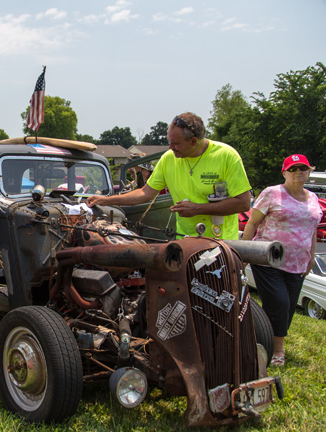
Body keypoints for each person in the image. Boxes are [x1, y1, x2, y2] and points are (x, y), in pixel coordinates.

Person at [87, 112, 251, 239]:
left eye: (176, 144)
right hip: (185, 243)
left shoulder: (226, 156)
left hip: (222, 244)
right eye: (169, 142)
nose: (170, 147)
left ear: (194, 141)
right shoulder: (168, 159)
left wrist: (198, 209)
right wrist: (106, 200)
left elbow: (243, 203)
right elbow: (145, 193)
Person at [242, 154, 322, 367]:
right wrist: (243, 254)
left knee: (285, 310)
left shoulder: (313, 198)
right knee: (280, 303)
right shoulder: (272, 193)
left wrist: (311, 257)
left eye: (303, 169)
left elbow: (312, 230)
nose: (298, 173)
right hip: (268, 259)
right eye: (293, 169)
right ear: (284, 172)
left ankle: (259, 339)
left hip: (298, 262)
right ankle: (278, 350)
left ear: (309, 171)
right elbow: (252, 224)